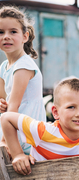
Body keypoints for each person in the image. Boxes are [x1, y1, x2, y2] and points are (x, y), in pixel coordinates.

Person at [0, 78, 79, 175]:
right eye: (71, 107)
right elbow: (6, 118)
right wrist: (18, 154)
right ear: (56, 112)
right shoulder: (43, 131)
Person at [0, 6, 46, 155]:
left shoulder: (24, 66)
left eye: (13, 31)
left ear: (25, 37)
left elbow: (13, 107)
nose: (6, 36)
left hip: (24, 136)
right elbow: (4, 102)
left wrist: (4, 142)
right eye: (1, 32)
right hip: (10, 129)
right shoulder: (3, 67)